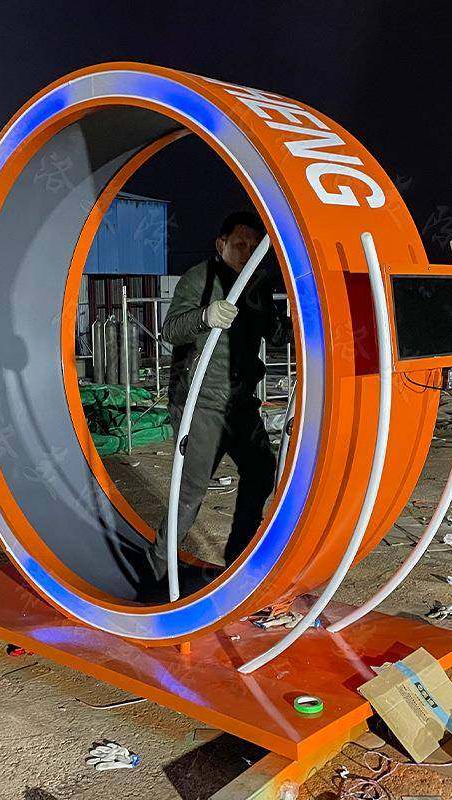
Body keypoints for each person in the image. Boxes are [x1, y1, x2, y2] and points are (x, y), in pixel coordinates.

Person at [147, 211, 292, 582]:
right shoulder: (200, 279)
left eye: (254, 247)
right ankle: (157, 576)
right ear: (221, 244)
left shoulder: (257, 284)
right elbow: (171, 330)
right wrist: (204, 317)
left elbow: (277, 334)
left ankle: (237, 561)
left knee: (261, 471)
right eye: (239, 245)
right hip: (200, 404)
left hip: (240, 403)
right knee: (190, 492)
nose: (247, 253)